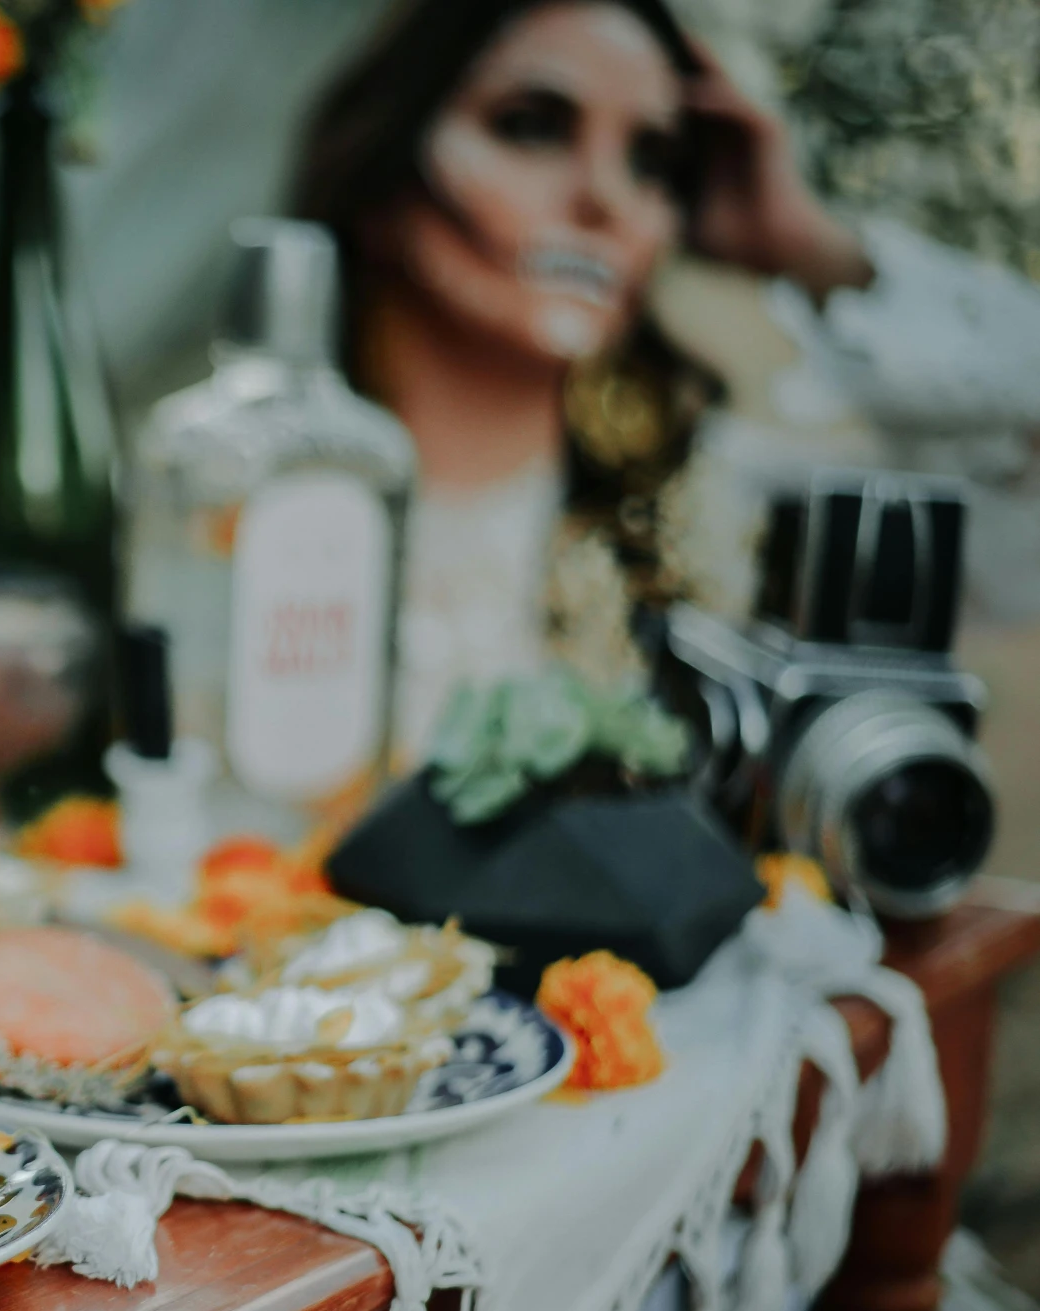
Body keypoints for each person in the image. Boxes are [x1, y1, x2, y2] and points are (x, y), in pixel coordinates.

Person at [290, 0, 1040, 756]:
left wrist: (815, 251)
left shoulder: (721, 528)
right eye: (532, 126)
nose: (606, 198)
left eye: (651, 162)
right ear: (385, 165)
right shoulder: (224, 503)